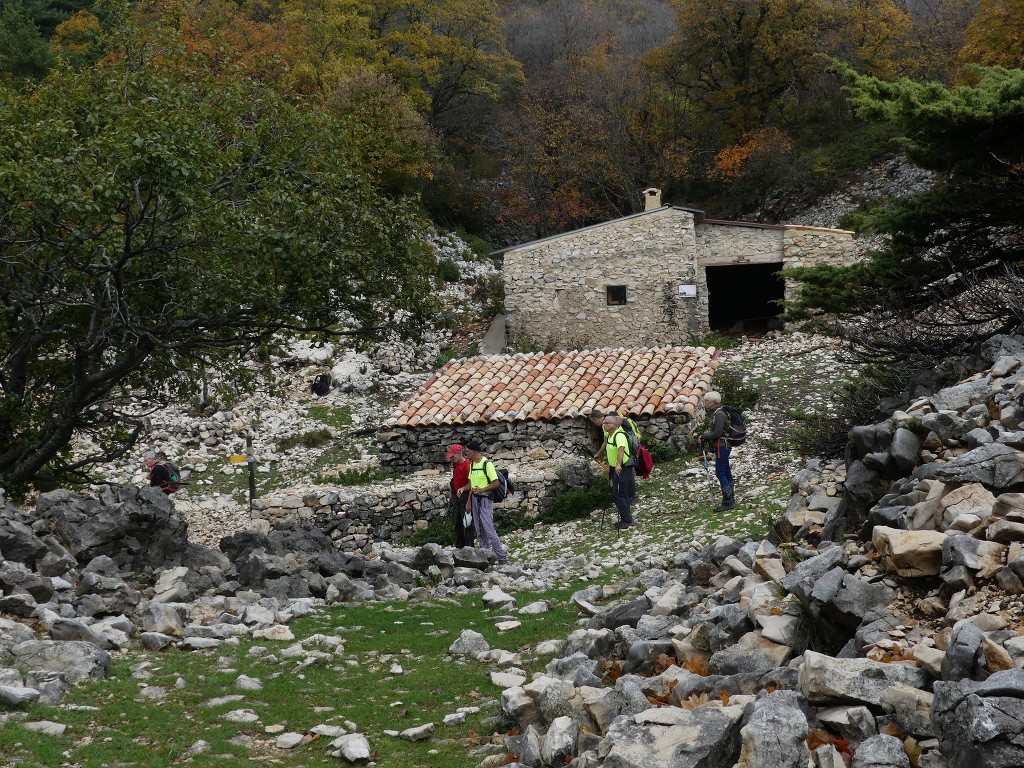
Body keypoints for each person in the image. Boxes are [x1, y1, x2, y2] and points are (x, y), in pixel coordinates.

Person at [458, 439, 508, 565]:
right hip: (475, 499)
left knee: (489, 530)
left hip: (485, 500)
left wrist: (482, 490)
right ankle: (486, 557)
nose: (466, 453)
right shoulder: (473, 465)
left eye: (468, 451)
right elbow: (472, 483)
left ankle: (501, 558)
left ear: (474, 452)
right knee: (480, 531)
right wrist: (464, 490)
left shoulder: (487, 464)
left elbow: (495, 483)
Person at [595, 413, 635, 530]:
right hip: (615, 468)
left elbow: (621, 450)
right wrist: (599, 455)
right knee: (620, 494)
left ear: (614, 424)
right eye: (604, 423)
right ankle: (627, 518)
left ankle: (627, 520)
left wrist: (618, 465)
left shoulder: (619, 435)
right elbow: (607, 446)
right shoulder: (610, 435)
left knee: (619, 494)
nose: (605, 425)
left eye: (607, 423)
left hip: (622, 467)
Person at [700, 391, 735, 511]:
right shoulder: (720, 412)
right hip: (725, 445)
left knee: (720, 473)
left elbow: (718, 432)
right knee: (726, 472)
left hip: (722, 445)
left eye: (707, 401)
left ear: (714, 402)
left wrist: (704, 436)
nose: (705, 403)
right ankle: (730, 499)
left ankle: (727, 501)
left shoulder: (719, 414)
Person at [447, 444, 475, 548]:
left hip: (465, 496)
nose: (451, 458)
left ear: (459, 454)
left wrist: (469, 502)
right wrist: (452, 492)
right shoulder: (455, 465)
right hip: (456, 496)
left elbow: (472, 484)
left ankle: (469, 547)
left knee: (467, 523)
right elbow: (454, 479)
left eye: (453, 456)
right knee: (457, 522)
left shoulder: (467, 466)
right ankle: (459, 547)